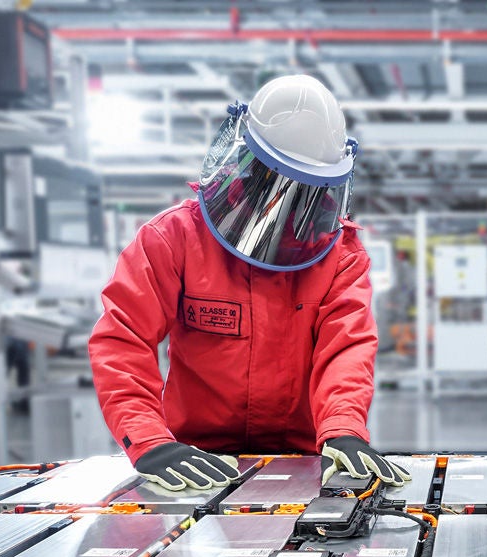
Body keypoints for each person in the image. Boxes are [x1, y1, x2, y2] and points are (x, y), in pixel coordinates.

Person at [88, 74, 409, 492]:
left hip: (304, 460)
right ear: (245, 159)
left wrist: (344, 425)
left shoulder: (340, 256)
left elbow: (345, 348)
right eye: (276, 181)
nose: (289, 204)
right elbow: (122, 339)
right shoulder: (173, 238)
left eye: (308, 189)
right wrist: (148, 439)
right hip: (196, 462)